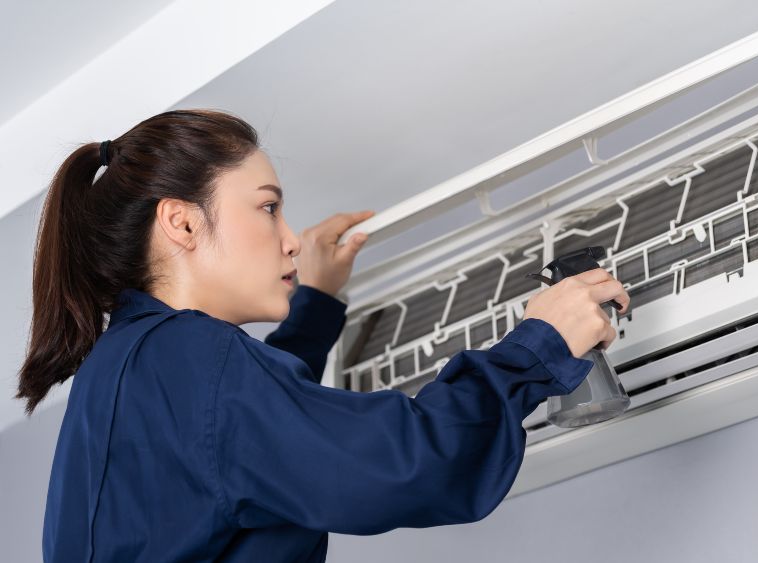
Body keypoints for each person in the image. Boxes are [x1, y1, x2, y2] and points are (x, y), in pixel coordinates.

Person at [17, 109, 630, 562]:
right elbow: (406, 465)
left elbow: (251, 442)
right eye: (266, 207)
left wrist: (310, 310)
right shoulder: (190, 358)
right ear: (180, 221)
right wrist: (537, 345)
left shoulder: (122, 370)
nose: (289, 237)